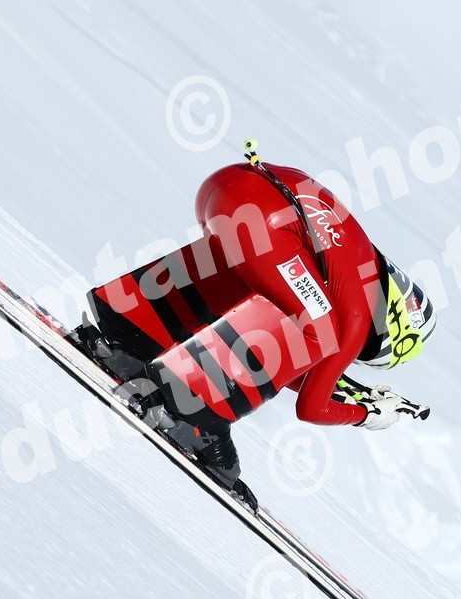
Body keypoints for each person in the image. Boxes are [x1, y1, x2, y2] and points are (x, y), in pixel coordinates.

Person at [68, 142, 437, 508]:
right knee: (320, 328)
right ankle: (196, 415)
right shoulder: (356, 317)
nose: (358, 351)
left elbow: (286, 358)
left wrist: (347, 390)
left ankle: (127, 331)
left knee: (258, 285)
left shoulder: (357, 265)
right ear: (394, 326)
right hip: (264, 214)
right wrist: (365, 415)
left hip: (227, 189)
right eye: (373, 351)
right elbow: (311, 406)